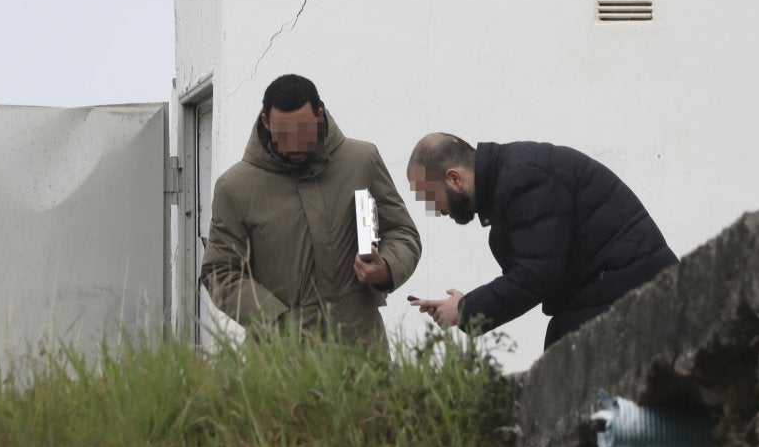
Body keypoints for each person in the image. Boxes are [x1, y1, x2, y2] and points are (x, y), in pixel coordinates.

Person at [200, 74, 421, 352]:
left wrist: (387, 267)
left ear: (319, 115)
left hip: (362, 357)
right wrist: (279, 322)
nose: (294, 147)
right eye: (284, 136)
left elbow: (402, 232)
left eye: (302, 133)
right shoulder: (235, 187)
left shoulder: (362, 161)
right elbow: (220, 272)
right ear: (266, 122)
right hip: (280, 365)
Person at [405, 133, 677, 348]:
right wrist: (464, 305)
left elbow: (536, 275)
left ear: (454, 178)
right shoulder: (511, 180)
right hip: (612, 301)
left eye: (430, 196)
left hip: (636, 305)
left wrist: (466, 309)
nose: (436, 210)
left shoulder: (524, 177)